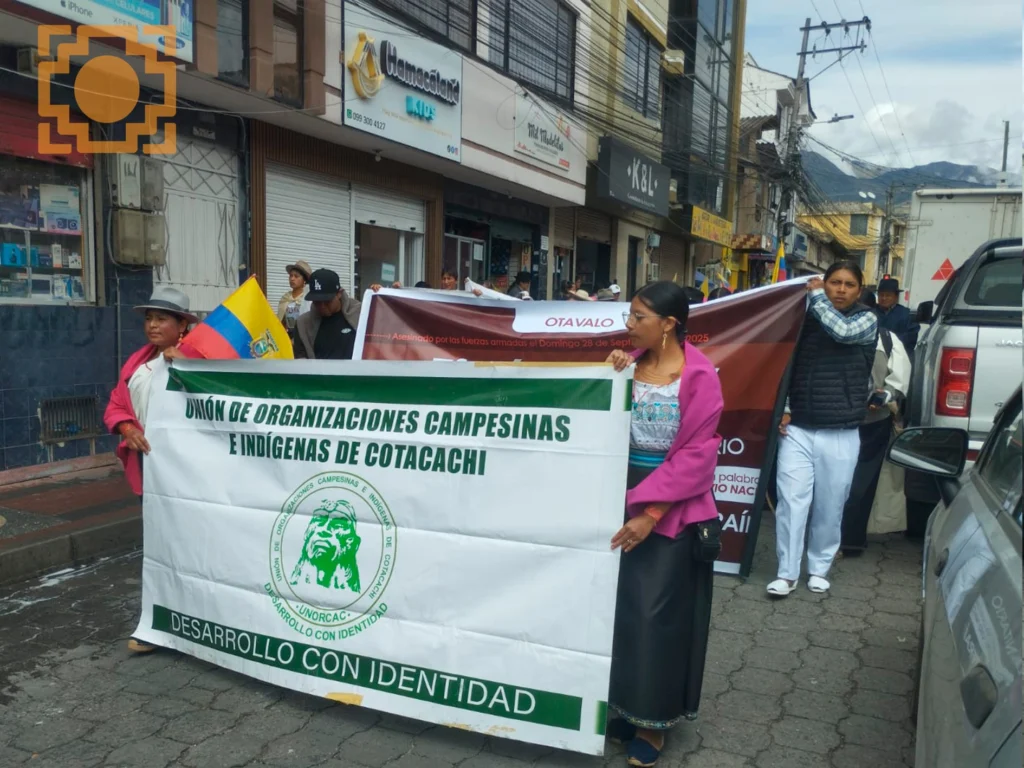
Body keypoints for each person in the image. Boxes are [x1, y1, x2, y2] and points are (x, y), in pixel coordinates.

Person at [605, 282, 723, 766]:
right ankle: (621, 704)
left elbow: (697, 458)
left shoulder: (700, 376)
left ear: (669, 324)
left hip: (669, 508)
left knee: (655, 616)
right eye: (629, 316)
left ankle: (652, 723)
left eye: (638, 317)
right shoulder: (626, 365)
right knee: (618, 610)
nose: (629, 325)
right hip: (615, 497)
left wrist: (650, 514)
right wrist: (609, 374)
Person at [770, 261, 878, 597]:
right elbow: (790, 367)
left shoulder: (866, 319)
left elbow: (841, 332)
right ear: (825, 283)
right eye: (834, 282)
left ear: (859, 291)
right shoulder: (803, 320)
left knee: (830, 506)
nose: (840, 289)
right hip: (799, 429)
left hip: (841, 431)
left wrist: (815, 297)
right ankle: (787, 573)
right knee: (791, 502)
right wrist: (786, 409)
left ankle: (819, 568)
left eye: (849, 284)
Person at [103, 286, 200, 654]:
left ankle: (203, 617)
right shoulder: (138, 362)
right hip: (152, 468)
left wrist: (188, 365)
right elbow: (117, 403)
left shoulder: (200, 357)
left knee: (194, 546)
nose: (152, 325)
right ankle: (159, 622)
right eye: (148, 318)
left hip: (190, 474)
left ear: (182, 325)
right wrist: (127, 427)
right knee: (161, 547)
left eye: (162, 319)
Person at [840, 291, 911, 555]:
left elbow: (899, 382)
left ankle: (850, 541)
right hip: (833, 422)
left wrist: (884, 396)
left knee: (861, 485)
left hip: (872, 424)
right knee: (832, 483)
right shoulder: (829, 335)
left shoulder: (887, 340)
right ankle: (824, 537)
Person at [294, 269, 385, 360]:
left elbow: (385, 329)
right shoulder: (303, 325)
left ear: (339, 293)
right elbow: (301, 361)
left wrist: (385, 297)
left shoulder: (361, 313)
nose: (322, 306)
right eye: (317, 302)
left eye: (327, 301)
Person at [875, 276, 919, 356]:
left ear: (896, 297)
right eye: (881, 295)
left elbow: (911, 338)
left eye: (888, 295)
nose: (884, 298)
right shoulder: (871, 313)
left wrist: (889, 342)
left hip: (900, 356)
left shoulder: (907, 314)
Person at [276, 260, 312, 338]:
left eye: (296, 276)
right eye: (291, 276)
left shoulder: (308, 299)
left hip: (303, 337)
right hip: (287, 337)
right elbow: (281, 320)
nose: (292, 279)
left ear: (304, 280)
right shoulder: (286, 297)